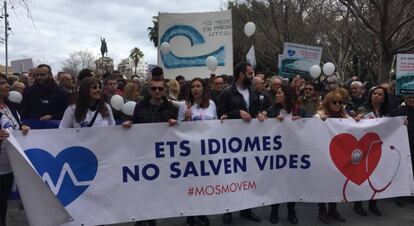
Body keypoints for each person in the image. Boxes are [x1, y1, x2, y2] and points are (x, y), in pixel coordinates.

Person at [122, 77, 178, 226]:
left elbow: (177, 131)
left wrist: (174, 123)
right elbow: (135, 123)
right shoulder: (140, 106)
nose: (157, 91)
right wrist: (129, 123)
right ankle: (141, 217)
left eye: (160, 88)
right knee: (142, 188)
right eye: (154, 88)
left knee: (156, 188)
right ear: (149, 90)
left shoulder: (170, 107)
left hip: (162, 155)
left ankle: (152, 216)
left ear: (165, 90)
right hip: (143, 153)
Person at [217, 62, 261, 224]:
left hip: (250, 142)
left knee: (248, 175)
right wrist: (237, 112)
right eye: (250, 73)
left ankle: (246, 209)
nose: (253, 76)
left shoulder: (253, 92)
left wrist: (261, 115)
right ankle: (228, 209)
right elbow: (220, 116)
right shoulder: (226, 94)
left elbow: (257, 112)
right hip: (231, 142)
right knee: (231, 176)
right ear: (241, 74)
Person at [258, 84, 299, 224]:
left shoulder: (298, 110)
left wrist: (300, 122)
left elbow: (310, 124)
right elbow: (262, 122)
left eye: (280, 92)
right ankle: (274, 211)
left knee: (291, 183)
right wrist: (262, 116)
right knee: (275, 183)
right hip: (276, 155)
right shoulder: (272, 110)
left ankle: (291, 211)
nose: (276, 94)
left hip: (293, 154)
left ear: (287, 95)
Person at [177, 78, 214, 226]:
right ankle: (190, 214)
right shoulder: (184, 106)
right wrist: (185, 119)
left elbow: (216, 125)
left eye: (198, 86)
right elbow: (178, 130)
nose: (195, 89)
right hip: (191, 151)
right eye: (193, 87)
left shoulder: (212, 105)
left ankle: (202, 212)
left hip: (206, 151)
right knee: (191, 185)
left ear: (203, 88)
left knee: (204, 184)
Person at [351, 86, 388, 216]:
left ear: (384, 99)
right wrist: (357, 119)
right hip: (364, 149)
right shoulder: (363, 110)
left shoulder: (386, 112)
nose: (376, 96)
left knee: (377, 177)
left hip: (378, 149)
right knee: (362, 176)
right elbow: (354, 124)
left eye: (380, 94)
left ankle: (373, 203)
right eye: (374, 93)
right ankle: (358, 204)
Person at [0, 73, 30, 226]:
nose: (7, 86)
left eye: (6, 83)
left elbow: (16, 123)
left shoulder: (9, 106)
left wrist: (22, 125)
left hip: (8, 164)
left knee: (3, 201)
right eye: (2, 84)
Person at [314, 91, 348, 224]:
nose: (338, 105)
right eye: (335, 102)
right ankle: (322, 210)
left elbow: (356, 126)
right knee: (323, 183)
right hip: (323, 155)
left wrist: (358, 119)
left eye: (340, 102)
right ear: (328, 103)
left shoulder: (344, 116)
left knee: (336, 183)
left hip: (339, 156)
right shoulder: (319, 116)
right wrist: (319, 121)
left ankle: (333, 209)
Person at [390, 95, 414, 207]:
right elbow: (388, 124)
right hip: (403, 144)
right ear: (405, 98)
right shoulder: (398, 111)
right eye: (409, 97)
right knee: (402, 169)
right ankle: (401, 195)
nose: (411, 99)